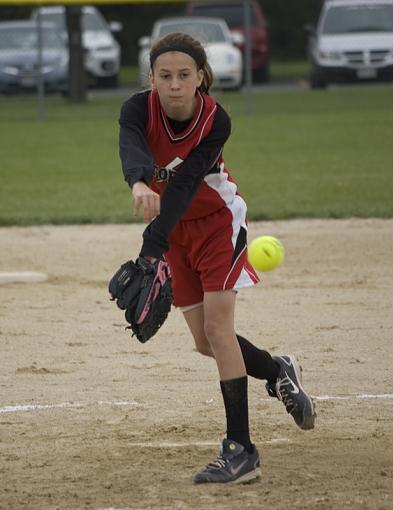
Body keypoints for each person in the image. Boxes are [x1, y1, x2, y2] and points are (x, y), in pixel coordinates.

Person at [118, 32, 316, 485]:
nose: (173, 84)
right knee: (205, 343)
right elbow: (132, 149)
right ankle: (276, 369)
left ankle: (241, 450)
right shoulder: (135, 109)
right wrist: (138, 182)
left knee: (217, 330)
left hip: (216, 224)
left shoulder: (215, 120)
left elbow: (185, 185)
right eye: (164, 76)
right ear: (151, 78)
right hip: (176, 233)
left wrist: (150, 250)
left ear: (201, 78)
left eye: (184, 75)